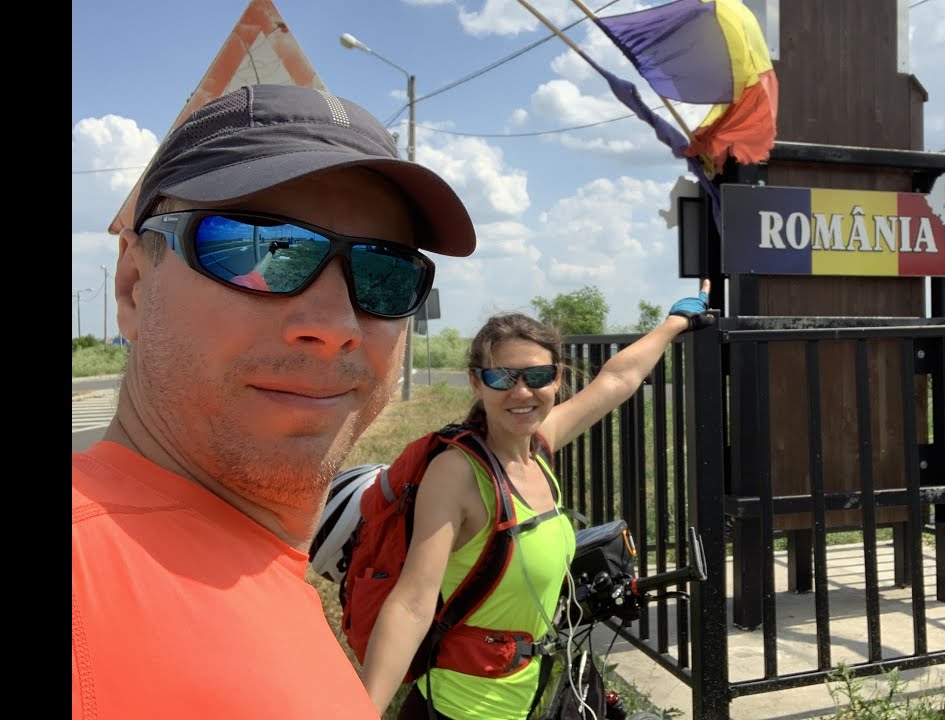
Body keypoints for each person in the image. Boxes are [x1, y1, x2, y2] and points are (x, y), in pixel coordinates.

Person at [71, 84, 476, 719]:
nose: (336, 324)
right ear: (133, 287)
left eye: (385, 272)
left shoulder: (263, 570)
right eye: (258, 248)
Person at [359, 283, 714, 720]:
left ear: (557, 378)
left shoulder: (538, 447)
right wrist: (362, 711)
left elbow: (618, 379)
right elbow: (412, 604)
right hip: (463, 708)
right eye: (502, 378)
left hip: (532, 698)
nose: (522, 392)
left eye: (538, 376)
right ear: (476, 382)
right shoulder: (457, 474)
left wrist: (675, 322)